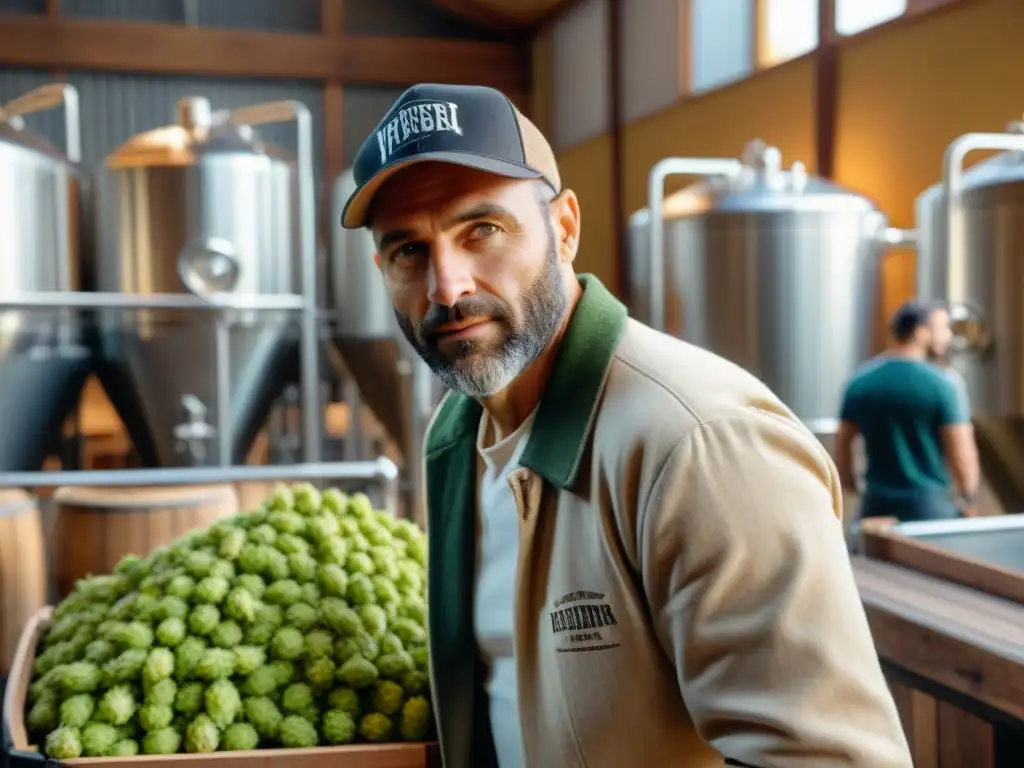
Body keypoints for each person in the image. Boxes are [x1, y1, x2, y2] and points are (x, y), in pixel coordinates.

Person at [341, 83, 911, 768]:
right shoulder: (458, 437)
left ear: (566, 228)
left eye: (481, 230)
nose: (448, 286)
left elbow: (827, 758)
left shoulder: (699, 444)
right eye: (408, 251)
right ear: (381, 268)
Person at [834, 300, 980, 523]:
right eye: (942, 328)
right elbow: (960, 450)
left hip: (875, 509)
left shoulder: (860, 381)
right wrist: (967, 496)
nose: (947, 336)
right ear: (921, 332)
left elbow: (842, 443)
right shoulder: (944, 384)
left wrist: (850, 483)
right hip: (928, 511)